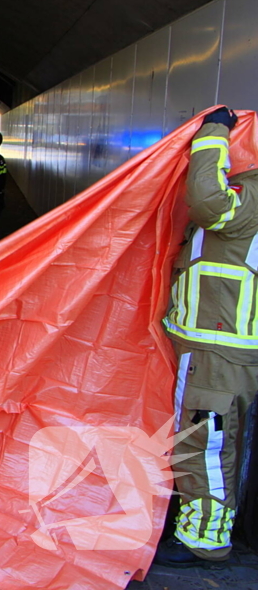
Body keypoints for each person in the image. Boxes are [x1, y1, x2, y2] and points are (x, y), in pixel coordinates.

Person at [155, 106, 258, 567]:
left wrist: (214, 132)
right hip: (211, 345)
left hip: (221, 350)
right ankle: (193, 523)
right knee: (201, 436)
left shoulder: (249, 198)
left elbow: (208, 201)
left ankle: (204, 541)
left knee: (207, 440)